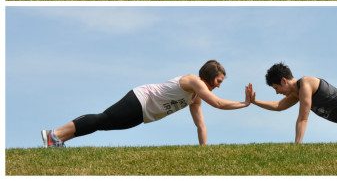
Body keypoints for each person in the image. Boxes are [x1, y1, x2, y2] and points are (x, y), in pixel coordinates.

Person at [41, 60, 252, 148]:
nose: (219, 86)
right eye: (219, 81)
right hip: (139, 99)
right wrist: (244, 103)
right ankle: (55, 134)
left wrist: (203, 151)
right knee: (103, 119)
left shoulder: (195, 97)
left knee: (102, 124)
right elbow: (217, 103)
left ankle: (56, 140)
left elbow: (201, 125)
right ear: (210, 75)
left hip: (143, 115)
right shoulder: (193, 81)